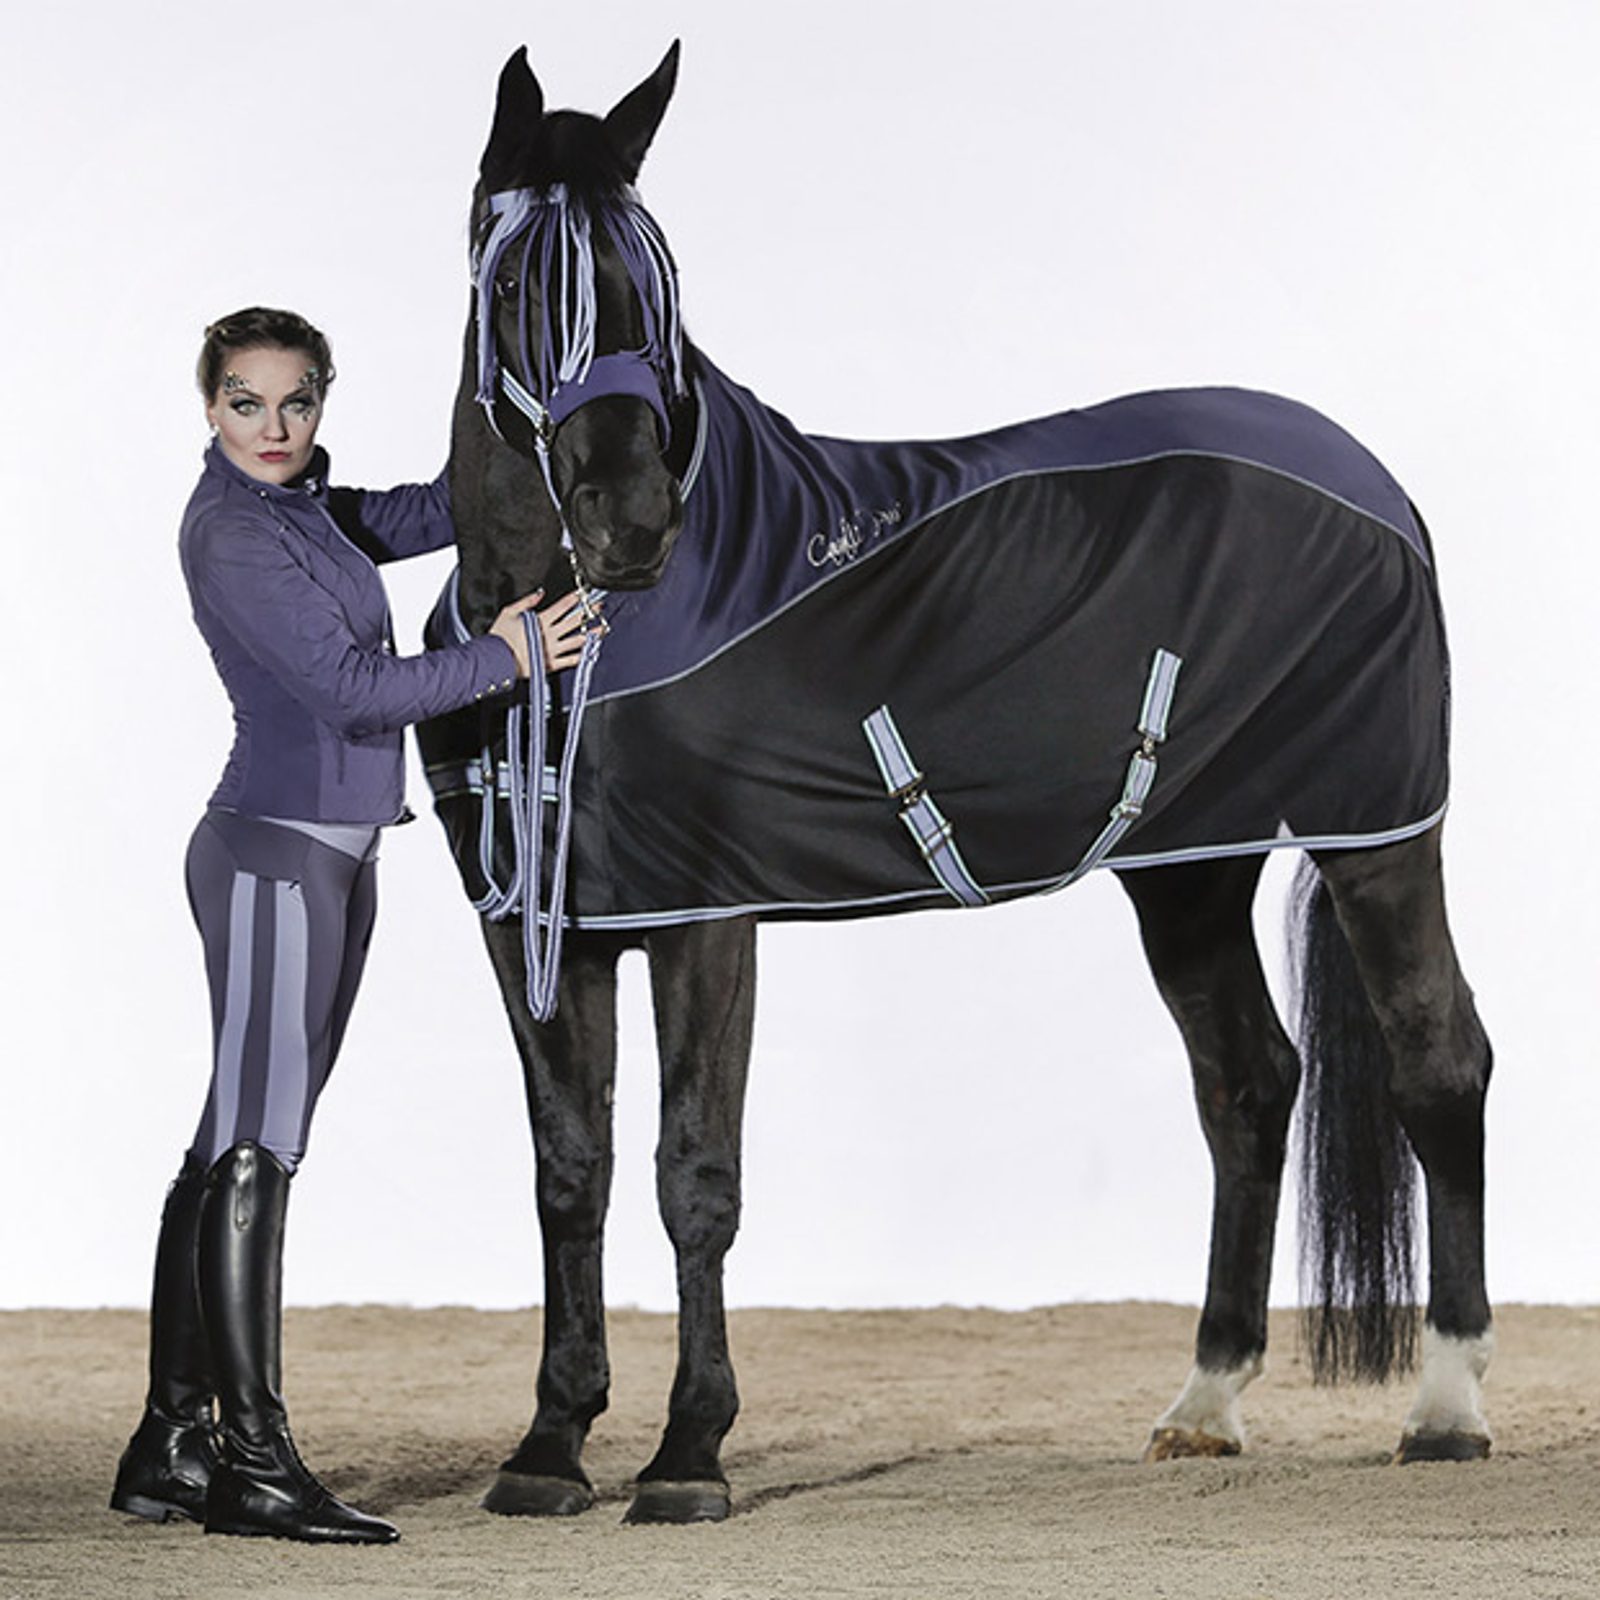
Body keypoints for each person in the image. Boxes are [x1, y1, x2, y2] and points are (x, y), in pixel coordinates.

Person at [109, 307, 589, 1545]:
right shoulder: (232, 531)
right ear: (209, 407)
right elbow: (353, 691)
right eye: (246, 403)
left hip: (327, 859)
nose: (273, 427)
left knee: (229, 1141)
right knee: (258, 1148)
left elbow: (430, 511)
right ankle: (255, 1466)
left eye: (296, 402)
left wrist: (528, 438)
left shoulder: (305, 506)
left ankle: (170, 1441)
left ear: (322, 399)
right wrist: (512, 654)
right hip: (272, 857)